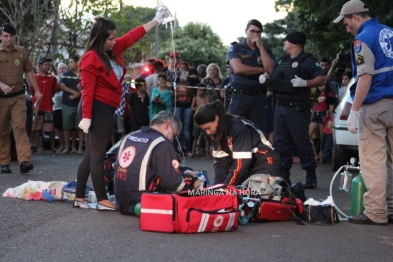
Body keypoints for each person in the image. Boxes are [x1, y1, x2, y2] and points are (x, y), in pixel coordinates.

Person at [74, 9, 166, 211]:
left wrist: (155, 21)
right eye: (110, 38)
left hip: (105, 108)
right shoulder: (90, 58)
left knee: (90, 155)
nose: (114, 41)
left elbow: (133, 35)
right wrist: (87, 117)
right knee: (97, 157)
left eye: (115, 37)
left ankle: (79, 196)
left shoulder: (113, 51)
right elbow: (87, 90)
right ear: (100, 38)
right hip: (96, 108)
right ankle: (101, 199)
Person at [333, 0, 393, 225]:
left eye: (346, 22)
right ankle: (391, 207)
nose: (346, 27)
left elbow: (365, 77)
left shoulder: (363, 40)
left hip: (375, 105)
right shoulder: (390, 32)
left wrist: (354, 111)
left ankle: (376, 212)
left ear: (356, 17)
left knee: (373, 161)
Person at [267, 31, 326, 189]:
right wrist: (265, 79)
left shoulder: (307, 60)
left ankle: (310, 175)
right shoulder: (282, 60)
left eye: (286, 41)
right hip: (279, 107)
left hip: (297, 109)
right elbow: (273, 78)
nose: (284, 43)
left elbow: (322, 78)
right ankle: (284, 175)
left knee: (302, 143)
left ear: (295, 44)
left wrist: (305, 83)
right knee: (281, 143)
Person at [114, 111, 201, 215]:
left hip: (121, 201)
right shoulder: (162, 143)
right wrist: (192, 180)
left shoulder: (128, 136)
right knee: (188, 187)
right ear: (168, 125)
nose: (173, 139)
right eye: (174, 134)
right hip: (142, 203)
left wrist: (184, 169)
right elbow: (173, 183)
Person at [194, 101, 280, 185]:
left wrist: (225, 186)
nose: (208, 132)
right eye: (205, 129)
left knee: (256, 194)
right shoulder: (214, 132)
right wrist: (217, 186)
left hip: (265, 160)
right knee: (228, 192)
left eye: (208, 128)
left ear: (216, 118)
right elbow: (221, 162)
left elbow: (241, 162)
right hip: (247, 164)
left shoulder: (237, 128)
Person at [0, 23, 42, 174]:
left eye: (11, 36)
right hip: (1, 98)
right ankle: (4, 161)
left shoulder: (21, 52)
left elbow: (29, 71)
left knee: (20, 127)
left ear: (15, 36)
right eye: (5, 36)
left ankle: (24, 160)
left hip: (18, 96)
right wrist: (2, 85)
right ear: (1, 36)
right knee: (2, 130)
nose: (9, 39)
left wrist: (36, 90)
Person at [226, 19, 275, 130]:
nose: (255, 34)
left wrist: (261, 47)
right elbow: (238, 69)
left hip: (259, 97)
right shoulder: (236, 47)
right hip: (239, 96)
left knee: (255, 131)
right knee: (234, 129)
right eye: (252, 31)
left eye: (258, 32)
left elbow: (271, 69)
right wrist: (261, 70)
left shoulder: (266, 49)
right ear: (246, 31)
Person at [30, 57, 58, 154]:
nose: (47, 67)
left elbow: (54, 90)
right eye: (45, 65)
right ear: (40, 66)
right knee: (36, 128)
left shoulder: (52, 78)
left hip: (48, 105)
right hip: (37, 106)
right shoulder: (35, 78)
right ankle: (38, 147)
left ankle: (53, 147)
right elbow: (32, 91)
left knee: (50, 128)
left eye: (48, 65)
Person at [60, 55, 83, 154]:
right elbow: (61, 86)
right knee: (67, 127)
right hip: (67, 104)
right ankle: (67, 147)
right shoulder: (66, 73)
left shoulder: (83, 73)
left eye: (71, 62)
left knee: (80, 128)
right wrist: (74, 92)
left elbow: (87, 86)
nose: (69, 64)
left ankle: (79, 148)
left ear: (77, 62)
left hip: (80, 104)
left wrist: (77, 95)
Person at [308, 81, 334, 161]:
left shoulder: (329, 94)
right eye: (319, 85)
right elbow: (315, 105)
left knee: (322, 135)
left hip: (323, 114)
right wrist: (312, 116)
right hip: (316, 114)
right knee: (308, 134)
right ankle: (314, 154)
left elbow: (331, 106)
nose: (321, 87)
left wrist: (330, 112)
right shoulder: (316, 94)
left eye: (323, 85)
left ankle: (321, 155)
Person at [190, 84, 210, 158]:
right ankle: (192, 152)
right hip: (197, 119)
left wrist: (199, 109)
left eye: (201, 90)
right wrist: (201, 108)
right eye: (198, 90)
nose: (199, 92)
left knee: (206, 137)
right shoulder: (195, 98)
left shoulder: (206, 98)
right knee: (195, 136)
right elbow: (192, 107)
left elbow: (208, 107)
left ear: (204, 91)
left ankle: (208, 153)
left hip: (205, 119)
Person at [53, 62, 68, 153]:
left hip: (67, 104)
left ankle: (68, 146)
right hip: (57, 105)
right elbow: (55, 88)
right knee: (59, 127)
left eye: (63, 68)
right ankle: (62, 145)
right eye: (60, 68)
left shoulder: (70, 77)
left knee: (67, 127)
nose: (61, 70)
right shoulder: (55, 79)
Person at [113, 74, 131, 144]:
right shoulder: (111, 82)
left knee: (121, 129)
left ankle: (124, 144)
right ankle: (113, 145)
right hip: (112, 108)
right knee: (112, 129)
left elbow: (128, 95)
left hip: (120, 109)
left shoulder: (124, 84)